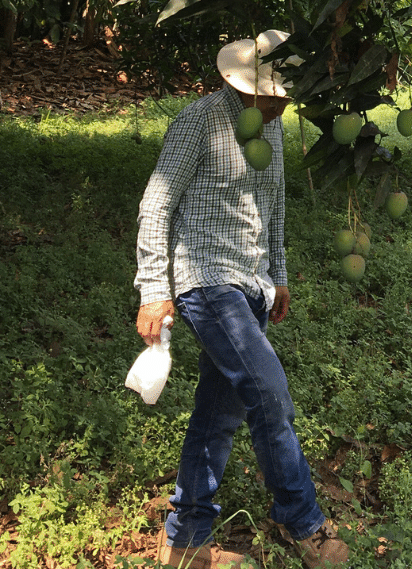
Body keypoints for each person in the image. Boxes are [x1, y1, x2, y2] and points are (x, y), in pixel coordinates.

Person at [134, 31, 349, 569]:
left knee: (217, 414)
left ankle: (185, 537)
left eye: (286, 96)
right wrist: (154, 290)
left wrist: (276, 274)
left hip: (249, 283)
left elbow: (272, 205)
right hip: (205, 282)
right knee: (269, 393)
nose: (282, 104)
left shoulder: (270, 129)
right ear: (245, 86)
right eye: (274, 95)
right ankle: (301, 519)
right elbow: (156, 204)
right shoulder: (200, 120)